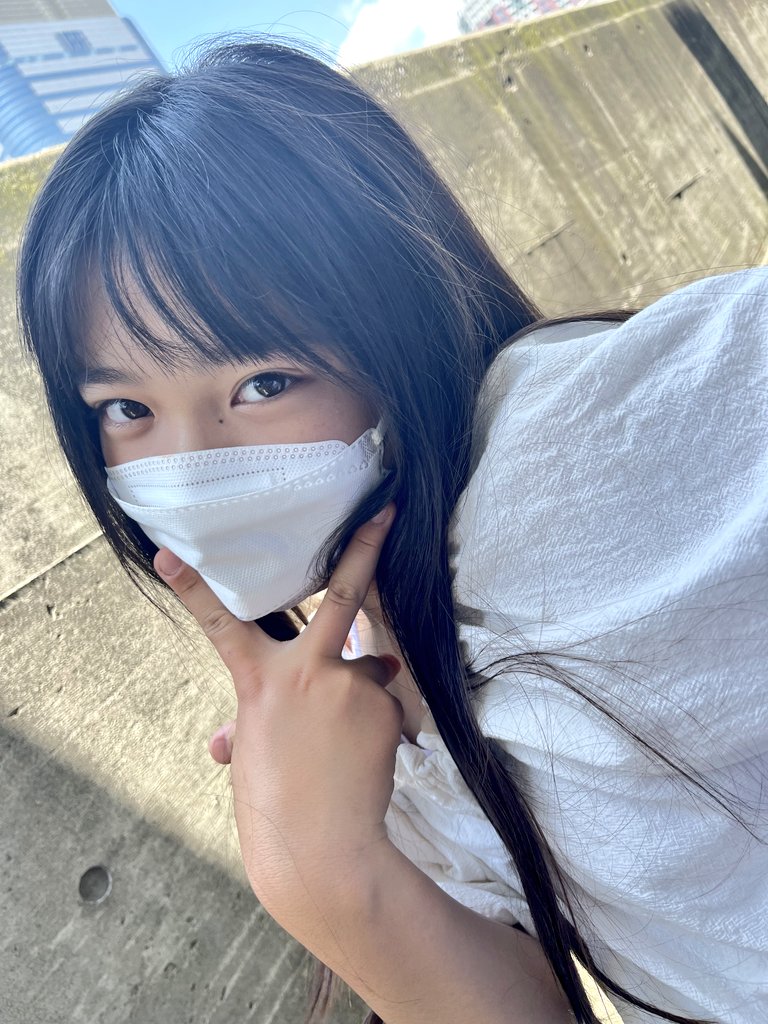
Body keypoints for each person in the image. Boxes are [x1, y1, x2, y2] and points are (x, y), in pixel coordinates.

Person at [17, 39, 768, 1024]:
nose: (191, 465)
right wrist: (326, 873)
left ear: (391, 317)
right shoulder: (360, 690)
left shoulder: (568, 454)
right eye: (127, 409)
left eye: (263, 383)